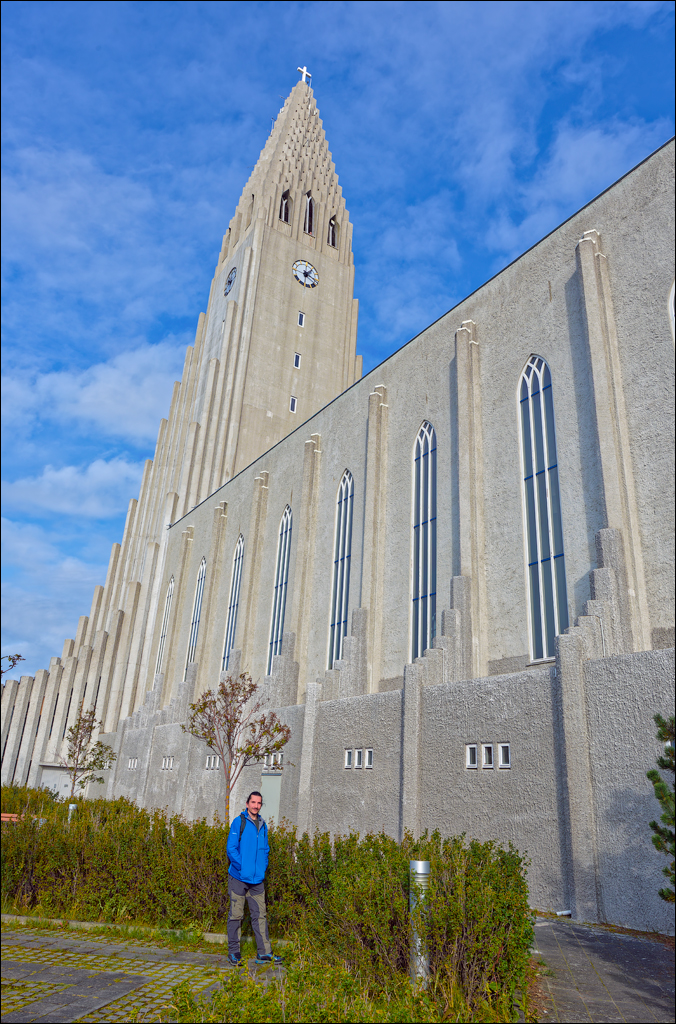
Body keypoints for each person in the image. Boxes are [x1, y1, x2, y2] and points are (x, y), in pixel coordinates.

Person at [226, 790, 283, 967]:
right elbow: (231, 849)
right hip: (239, 878)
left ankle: (264, 953)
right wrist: (242, 867)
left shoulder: (263, 825)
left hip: (257, 880)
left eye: (259, 803)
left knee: (260, 916)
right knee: (236, 915)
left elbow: (265, 850)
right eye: (253, 802)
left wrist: (262, 867)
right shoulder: (239, 822)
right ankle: (234, 953)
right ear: (247, 804)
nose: (256, 806)